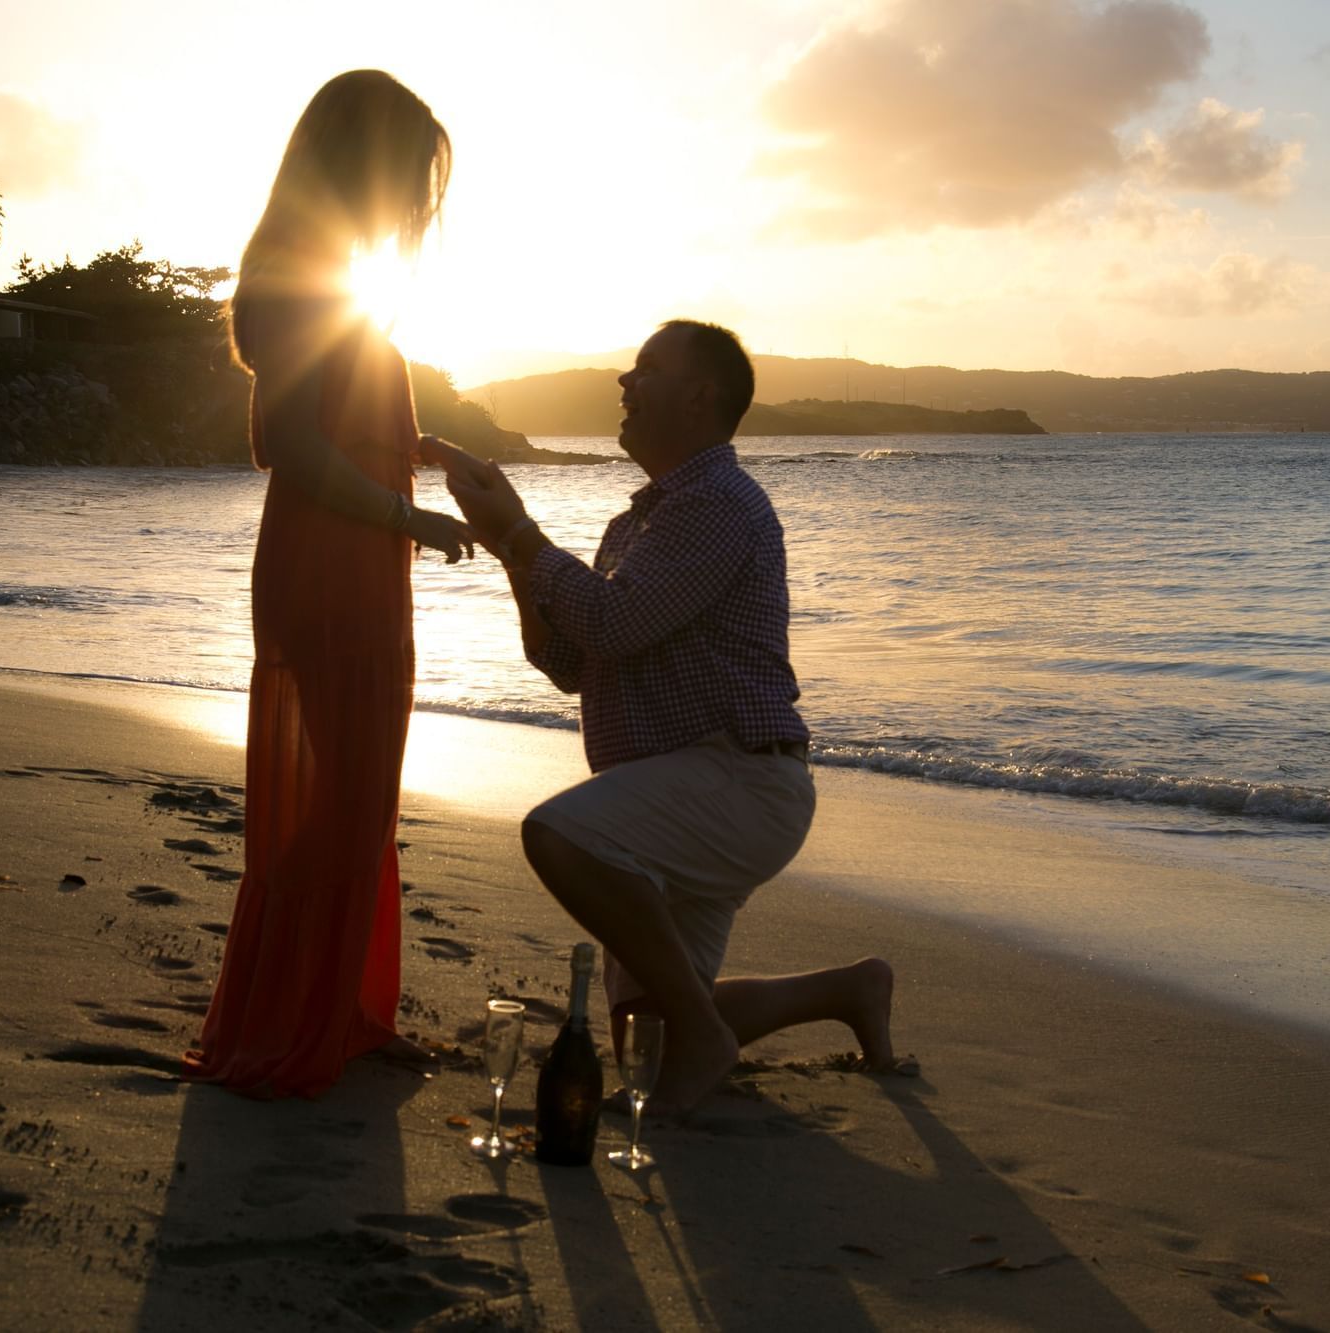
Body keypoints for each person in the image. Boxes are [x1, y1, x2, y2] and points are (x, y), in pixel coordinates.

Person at [439, 320, 894, 1113]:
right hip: (683, 789)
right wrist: (511, 547)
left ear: (698, 394)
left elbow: (609, 623)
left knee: (559, 835)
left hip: (736, 778)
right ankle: (847, 989)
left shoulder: (716, 502)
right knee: (643, 1042)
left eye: (645, 368)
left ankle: (705, 1032)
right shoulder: (640, 520)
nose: (624, 381)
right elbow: (572, 665)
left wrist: (519, 529)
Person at [184, 70, 474, 1098]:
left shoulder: (325, 270)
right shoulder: (299, 268)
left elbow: (345, 429)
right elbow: (293, 445)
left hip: (358, 567)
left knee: (356, 794)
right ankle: (293, 1015)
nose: (416, 208)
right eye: (411, 181)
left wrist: (430, 457)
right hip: (328, 568)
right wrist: (409, 514)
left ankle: (340, 1004)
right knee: (332, 798)